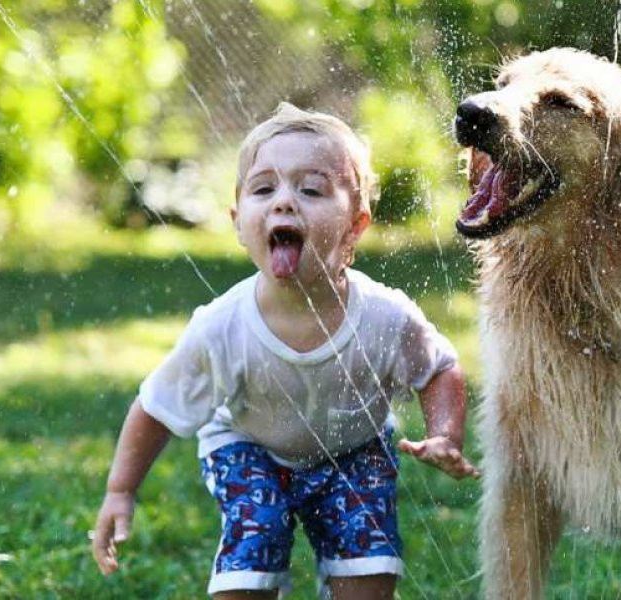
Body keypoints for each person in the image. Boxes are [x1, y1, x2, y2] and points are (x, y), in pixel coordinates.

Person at [89, 103, 478, 599]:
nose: (284, 202)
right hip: (249, 445)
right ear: (237, 221)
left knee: (370, 573)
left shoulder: (385, 317)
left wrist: (445, 433)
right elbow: (156, 408)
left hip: (353, 447)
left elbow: (439, 368)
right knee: (257, 539)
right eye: (263, 188)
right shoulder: (221, 327)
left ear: (356, 225)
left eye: (311, 189)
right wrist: (120, 491)